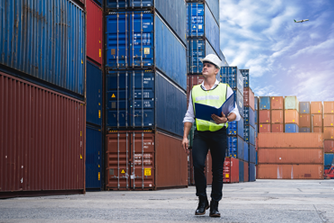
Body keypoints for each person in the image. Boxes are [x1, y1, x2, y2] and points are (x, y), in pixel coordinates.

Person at [182, 54, 241, 217]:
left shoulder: (225, 88)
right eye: (204, 65)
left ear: (216, 70)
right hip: (200, 134)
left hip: (219, 134)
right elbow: (189, 115)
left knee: (217, 170)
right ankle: (202, 200)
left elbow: (235, 112)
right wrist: (185, 136)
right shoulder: (195, 91)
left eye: (209, 65)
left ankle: (215, 204)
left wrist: (225, 119)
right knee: (198, 166)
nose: (205, 67)